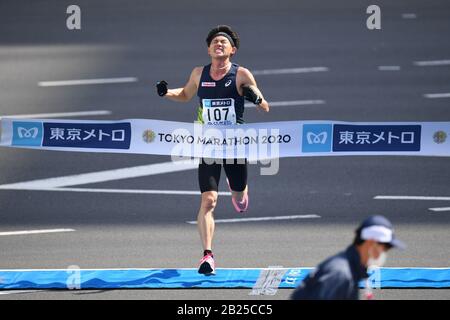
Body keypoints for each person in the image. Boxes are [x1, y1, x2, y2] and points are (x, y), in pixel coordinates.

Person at [156, 25, 270, 275]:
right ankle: (207, 256)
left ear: (233, 49)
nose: (219, 44)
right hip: (207, 145)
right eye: (215, 42)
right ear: (208, 49)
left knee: (238, 195)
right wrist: (167, 92)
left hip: (234, 146)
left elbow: (265, 107)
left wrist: (255, 97)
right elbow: (185, 95)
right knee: (209, 200)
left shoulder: (241, 74)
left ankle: (239, 192)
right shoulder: (199, 73)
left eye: (223, 42)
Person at [291, 215, 406, 300]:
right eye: (385, 248)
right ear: (371, 243)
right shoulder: (340, 274)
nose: (385, 253)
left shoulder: (351, 269)